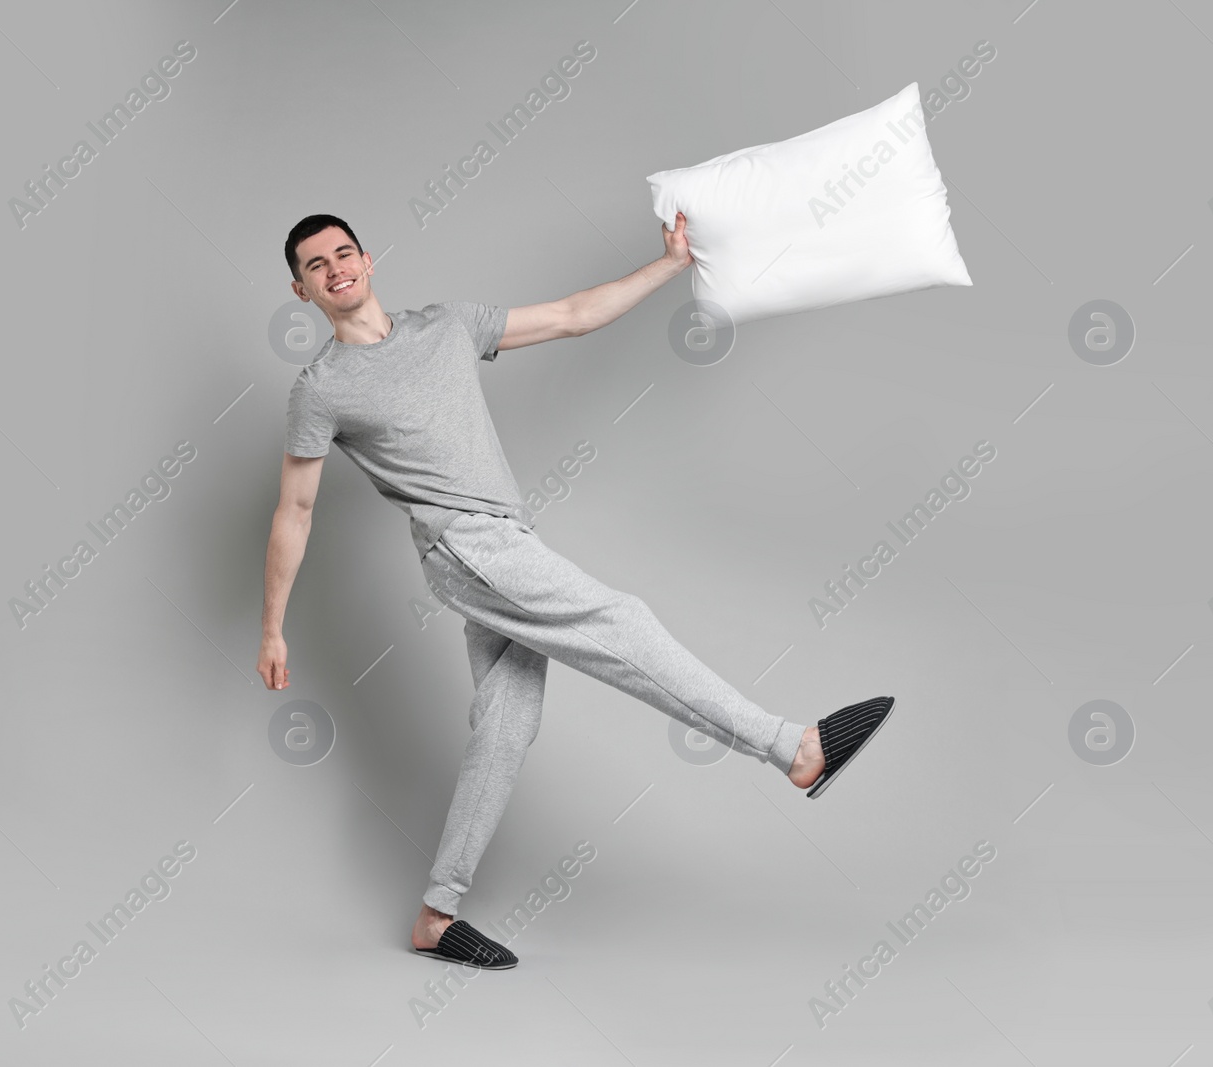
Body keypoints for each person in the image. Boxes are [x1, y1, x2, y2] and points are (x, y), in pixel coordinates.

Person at [259, 212, 895, 970]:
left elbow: (571, 316)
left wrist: (668, 263)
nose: (334, 269)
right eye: (315, 265)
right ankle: (794, 748)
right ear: (301, 289)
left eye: (342, 253)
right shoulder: (321, 388)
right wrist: (273, 626)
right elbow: (294, 511)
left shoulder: (448, 325)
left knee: (506, 724)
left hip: (507, 541)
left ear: (367, 258)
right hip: (469, 547)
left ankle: (437, 912)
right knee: (621, 618)